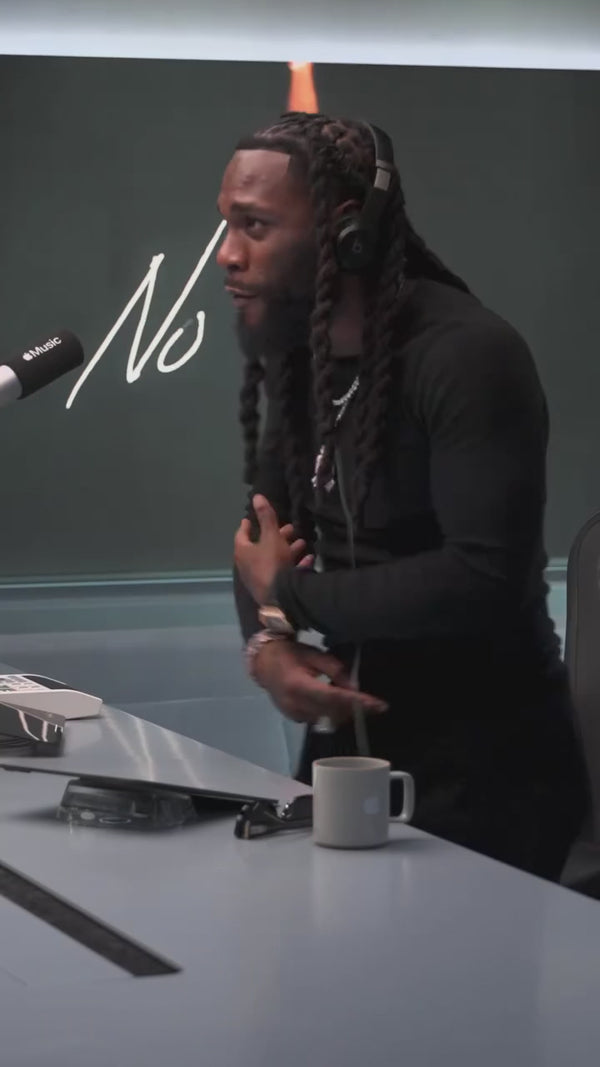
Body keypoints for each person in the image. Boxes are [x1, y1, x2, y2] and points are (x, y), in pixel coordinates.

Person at [216, 110, 588, 880]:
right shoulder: (302, 359)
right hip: (350, 752)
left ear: (346, 230)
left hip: (487, 769)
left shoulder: (468, 356)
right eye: (227, 224)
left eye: (255, 225)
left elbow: (482, 576)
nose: (228, 253)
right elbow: (260, 538)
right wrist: (269, 646)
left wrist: (292, 594)